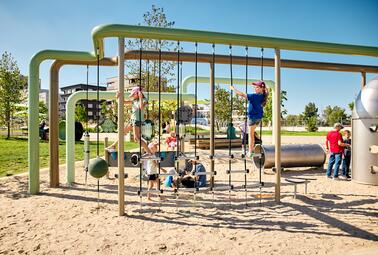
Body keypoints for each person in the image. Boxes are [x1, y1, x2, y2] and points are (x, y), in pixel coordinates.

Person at [107, 87, 151, 154]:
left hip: (137, 120)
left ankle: (149, 152)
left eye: (134, 94)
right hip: (132, 120)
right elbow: (122, 102)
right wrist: (117, 97)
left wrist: (140, 97)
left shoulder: (144, 100)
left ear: (138, 93)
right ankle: (113, 146)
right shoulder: (134, 101)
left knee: (137, 138)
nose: (132, 96)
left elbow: (141, 107)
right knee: (122, 132)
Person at [230, 81, 269, 157]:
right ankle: (252, 148)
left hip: (252, 117)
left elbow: (241, 94)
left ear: (262, 88)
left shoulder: (254, 96)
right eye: (255, 87)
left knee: (251, 135)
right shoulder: (263, 96)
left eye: (257, 87)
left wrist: (233, 89)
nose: (255, 88)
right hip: (258, 118)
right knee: (252, 133)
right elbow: (265, 92)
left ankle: (251, 152)